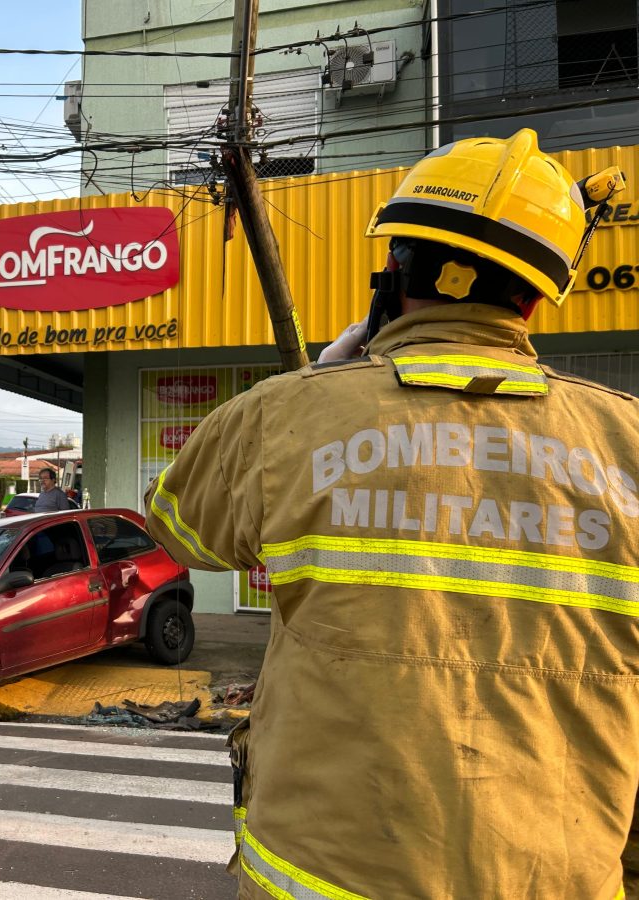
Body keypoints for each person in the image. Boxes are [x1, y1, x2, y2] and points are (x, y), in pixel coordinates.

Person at [145, 129, 638, 899]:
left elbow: (174, 526)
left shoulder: (285, 418)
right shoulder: (629, 444)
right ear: (537, 300)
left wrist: (323, 375)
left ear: (390, 271)